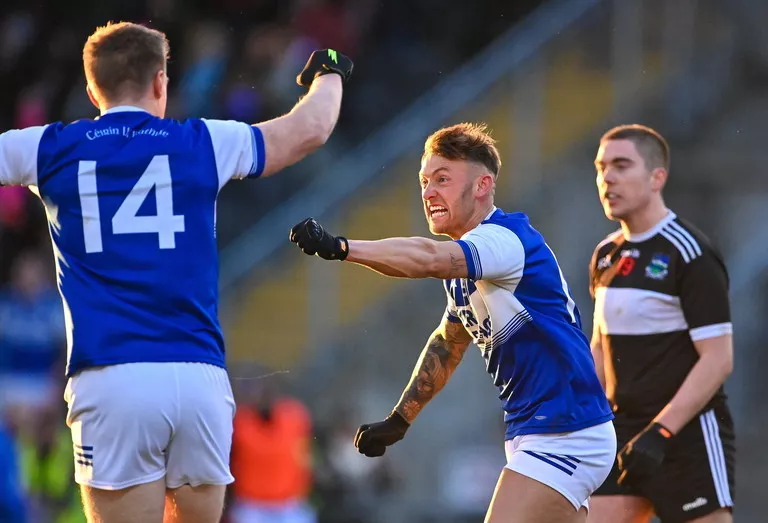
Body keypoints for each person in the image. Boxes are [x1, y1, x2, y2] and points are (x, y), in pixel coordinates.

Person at [0, 21, 353, 523]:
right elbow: (310, 129)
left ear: (91, 89)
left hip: (112, 377)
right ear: (161, 82)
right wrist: (329, 69)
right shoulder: (202, 141)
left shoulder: (50, 147)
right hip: (198, 378)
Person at [288, 123, 616, 523]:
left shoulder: (505, 240)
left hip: (566, 432)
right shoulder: (469, 270)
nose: (428, 193)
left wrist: (342, 247)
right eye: (424, 181)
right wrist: (399, 419)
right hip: (540, 433)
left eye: (442, 179)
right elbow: (448, 343)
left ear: (482, 185)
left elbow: (429, 258)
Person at [588, 124, 735, 523]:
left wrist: (661, 431)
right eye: (602, 167)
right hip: (622, 437)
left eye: (621, 165)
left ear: (658, 177)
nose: (608, 178)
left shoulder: (690, 252)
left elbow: (718, 359)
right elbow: (600, 349)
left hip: (683, 437)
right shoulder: (605, 255)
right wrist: (581, 413)